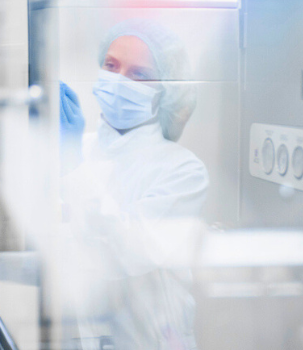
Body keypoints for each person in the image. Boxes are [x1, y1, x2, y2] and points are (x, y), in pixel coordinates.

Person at [58, 19, 210, 350]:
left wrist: (72, 169)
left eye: (138, 74)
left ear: (165, 90)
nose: (117, 81)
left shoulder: (183, 171)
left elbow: (121, 252)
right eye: (110, 66)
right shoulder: (76, 153)